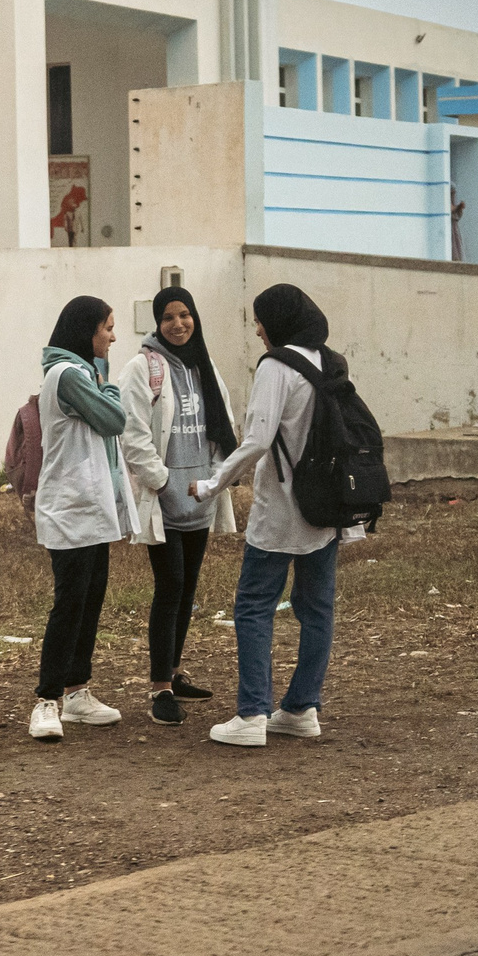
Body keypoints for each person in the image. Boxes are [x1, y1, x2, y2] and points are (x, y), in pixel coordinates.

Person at [195, 282, 341, 749]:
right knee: (317, 609)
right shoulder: (327, 360)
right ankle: (301, 708)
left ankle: (252, 713)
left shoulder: (277, 366)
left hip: (281, 509)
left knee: (254, 607)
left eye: (259, 319)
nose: (256, 328)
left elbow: (257, 440)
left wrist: (213, 484)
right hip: (327, 506)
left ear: (276, 320)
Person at [120, 285, 238, 729]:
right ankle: (160, 691)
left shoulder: (206, 366)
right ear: (157, 322)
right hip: (165, 500)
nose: (178, 324)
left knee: (187, 588)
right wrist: (164, 482)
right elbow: (133, 436)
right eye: (168, 317)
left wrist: (215, 479)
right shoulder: (142, 368)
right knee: (169, 586)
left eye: (184, 315)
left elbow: (223, 427)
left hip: (201, 498)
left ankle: (172, 671)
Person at [27, 294, 137, 742]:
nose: (113, 335)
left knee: (89, 601)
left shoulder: (83, 372)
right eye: (107, 327)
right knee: (69, 604)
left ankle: (76, 692)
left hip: (91, 508)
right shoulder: (68, 374)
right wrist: (109, 386)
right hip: (71, 508)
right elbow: (114, 419)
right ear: (86, 330)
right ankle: (46, 700)